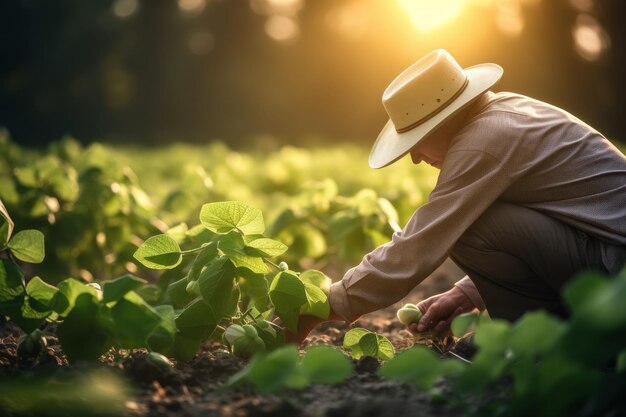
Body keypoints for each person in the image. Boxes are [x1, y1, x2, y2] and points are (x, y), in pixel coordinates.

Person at [291, 49, 626, 342]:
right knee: (478, 219)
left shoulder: (484, 141)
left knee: (467, 228)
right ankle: (548, 334)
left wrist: (316, 309)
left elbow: (418, 244)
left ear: (444, 122)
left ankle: (542, 344)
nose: (416, 157)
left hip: (618, 270)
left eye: (417, 141)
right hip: (611, 256)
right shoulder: (507, 109)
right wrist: (466, 292)